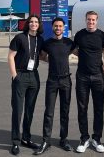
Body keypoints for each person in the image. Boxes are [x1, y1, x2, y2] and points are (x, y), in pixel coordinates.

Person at [34, 17, 75, 155]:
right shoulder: (47, 43)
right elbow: (41, 55)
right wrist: (48, 59)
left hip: (65, 80)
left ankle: (64, 139)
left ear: (64, 28)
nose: (58, 28)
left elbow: (79, 53)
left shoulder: (69, 43)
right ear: (52, 27)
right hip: (52, 80)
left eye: (60, 26)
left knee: (65, 112)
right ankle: (46, 141)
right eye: (56, 26)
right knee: (49, 112)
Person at [74, 11, 104, 153]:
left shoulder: (102, 36)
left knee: (98, 108)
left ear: (97, 21)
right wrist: (83, 55)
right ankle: (84, 139)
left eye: (93, 20)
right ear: (85, 20)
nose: (91, 22)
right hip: (82, 76)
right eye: (89, 19)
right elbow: (75, 50)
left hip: (98, 77)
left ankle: (97, 139)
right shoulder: (79, 35)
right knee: (82, 108)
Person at [7, 14, 44, 155]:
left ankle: (26, 138)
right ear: (28, 24)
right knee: (17, 110)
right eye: (31, 22)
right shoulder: (20, 38)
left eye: (36, 22)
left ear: (39, 25)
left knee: (30, 109)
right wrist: (14, 76)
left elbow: (40, 55)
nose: (34, 24)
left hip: (34, 76)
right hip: (20, 75)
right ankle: (16, 142)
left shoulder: (40, 40)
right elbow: (10, 56)